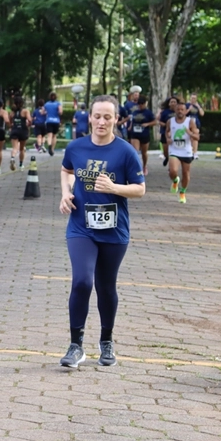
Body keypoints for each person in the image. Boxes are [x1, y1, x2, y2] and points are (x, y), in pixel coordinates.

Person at [58, 95, 146, 369]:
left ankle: (106, 341)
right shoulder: (76, 147)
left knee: (105, 286)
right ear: (90, 117)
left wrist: (115, 188)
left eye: (108, 117)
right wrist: (65, 194)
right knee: (82, 281)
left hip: (114, 230)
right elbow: (66, 169)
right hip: (81, 226)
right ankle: (76, 346)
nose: (101, 121)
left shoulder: (125, 152)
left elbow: (140, 189)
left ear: (116, 119)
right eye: (97, 116)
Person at [166, 102, 200, 204]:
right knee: (173, 171)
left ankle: (182, 192)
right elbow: (166, 132)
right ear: (175, 110)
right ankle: (175, 180)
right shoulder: (170, 121)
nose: (180, 111)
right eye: (178, 109)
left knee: (186, 173)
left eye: (182, 109)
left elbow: (197, 137)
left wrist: (190, 133)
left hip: (186, 151)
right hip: (174, 150)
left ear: (186, 111)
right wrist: (168, 138)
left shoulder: (190, 122)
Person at [128, 96, 157, 176]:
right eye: (139, 105)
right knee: (135, 152)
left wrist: (147, 124)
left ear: (145, 104)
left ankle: (144, 166)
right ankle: (137, 167)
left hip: (144, 134)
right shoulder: (135, 112)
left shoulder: (148, 113)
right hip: (135, 134)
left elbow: (155, 122)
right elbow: (132, 120)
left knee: (144, 153)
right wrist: (130, 127)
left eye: (142, 104)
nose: (140, 106)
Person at [9, 96, 31, 171]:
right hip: (23, 131)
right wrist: (29, 124)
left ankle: (12, 158)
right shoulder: (25, 111)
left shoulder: (12, 113)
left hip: (14, 131)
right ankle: (21, 165)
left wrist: (12, 125)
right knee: (21, 149)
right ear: (22, 103)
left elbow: (10, 122)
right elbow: (30, 120)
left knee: (15, 148)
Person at [157, 96, 178, 166]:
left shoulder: (179, 111)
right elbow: (159, 121)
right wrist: (166, 125)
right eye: (171, 102)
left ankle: (173, 165)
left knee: (174, 151)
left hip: (176, 133)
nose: (173, 103)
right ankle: (167, 157)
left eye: (175, 102)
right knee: (166, 151)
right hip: (165, 132)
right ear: (169, 104)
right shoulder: (165, 112)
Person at [186, 93, 205, 159]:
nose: (193, 99)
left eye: (194, 98)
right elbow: (183, 114)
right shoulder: (187, 105)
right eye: (192, 98)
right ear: (190, 98)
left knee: (195, 138)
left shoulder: (198, 105)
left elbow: (202, 114)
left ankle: (195, 153)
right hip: (187, 124)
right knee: (188, 138)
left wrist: (199, 107)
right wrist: (189, 109)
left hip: (196, 124)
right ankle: (189, 152)